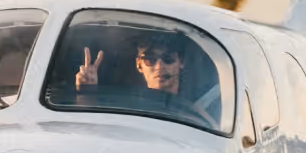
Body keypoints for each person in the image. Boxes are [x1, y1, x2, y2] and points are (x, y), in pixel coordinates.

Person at [73, 32, 220, 124]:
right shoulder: (127, 108)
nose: (159, 67)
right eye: (150, 59)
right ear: (139, 64)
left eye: (168, 58)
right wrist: (86, 91)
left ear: (181, 62)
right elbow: (89, 127)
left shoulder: (197, 115)